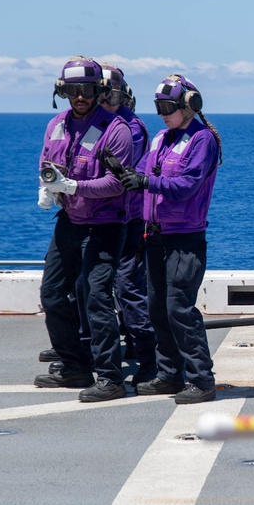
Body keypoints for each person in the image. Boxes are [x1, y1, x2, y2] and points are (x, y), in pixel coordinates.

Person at [116, 74, 222, 405]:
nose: (162, 113)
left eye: (168, 107)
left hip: (185, 237)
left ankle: (201, 379)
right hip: (156, 235)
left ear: (188, 107)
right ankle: (169, 373)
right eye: (159, 107)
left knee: (179, 307)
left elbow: (187, 185)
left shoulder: (202, 140)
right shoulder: (161, 138)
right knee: (157, 307)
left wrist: (146, 182)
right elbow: (145, 171)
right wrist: (126, 174)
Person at [33, 56, 133, 403]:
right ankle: (74, 364)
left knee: (96, 297)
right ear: (63, 91)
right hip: (70, 221)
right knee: (52, 292)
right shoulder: (57, 124)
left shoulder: (115, 130)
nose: (80, 96)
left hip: (104, 224)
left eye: (87, 90)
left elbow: (117, 184)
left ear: (98, 90)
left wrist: (74, 187)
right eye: (73, 90)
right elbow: (47, 160)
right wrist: (48, 185)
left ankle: (110, 377)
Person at [99, 63, 158, 382]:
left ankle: (147, 353)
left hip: (129, 219)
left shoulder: (129, 129)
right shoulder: (102, 125)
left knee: (128, 287)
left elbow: (123, 176)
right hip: (105, 217)